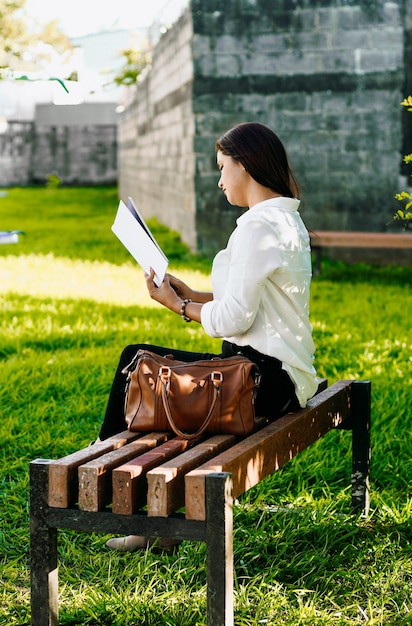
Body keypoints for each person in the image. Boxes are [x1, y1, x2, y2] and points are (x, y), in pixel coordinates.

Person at [98, 122, 318, 552]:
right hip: (280, 379)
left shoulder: (258, 226)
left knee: (134, 361)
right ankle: (147, 519)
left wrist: (178, 307)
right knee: (147, 367)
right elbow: (255, 299)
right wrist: (194, 295)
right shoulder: (286, 220)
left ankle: (111, 483)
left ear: (246, 164)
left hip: (259, 384)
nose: (219, 180)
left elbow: (236, 315)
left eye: (222, 167)